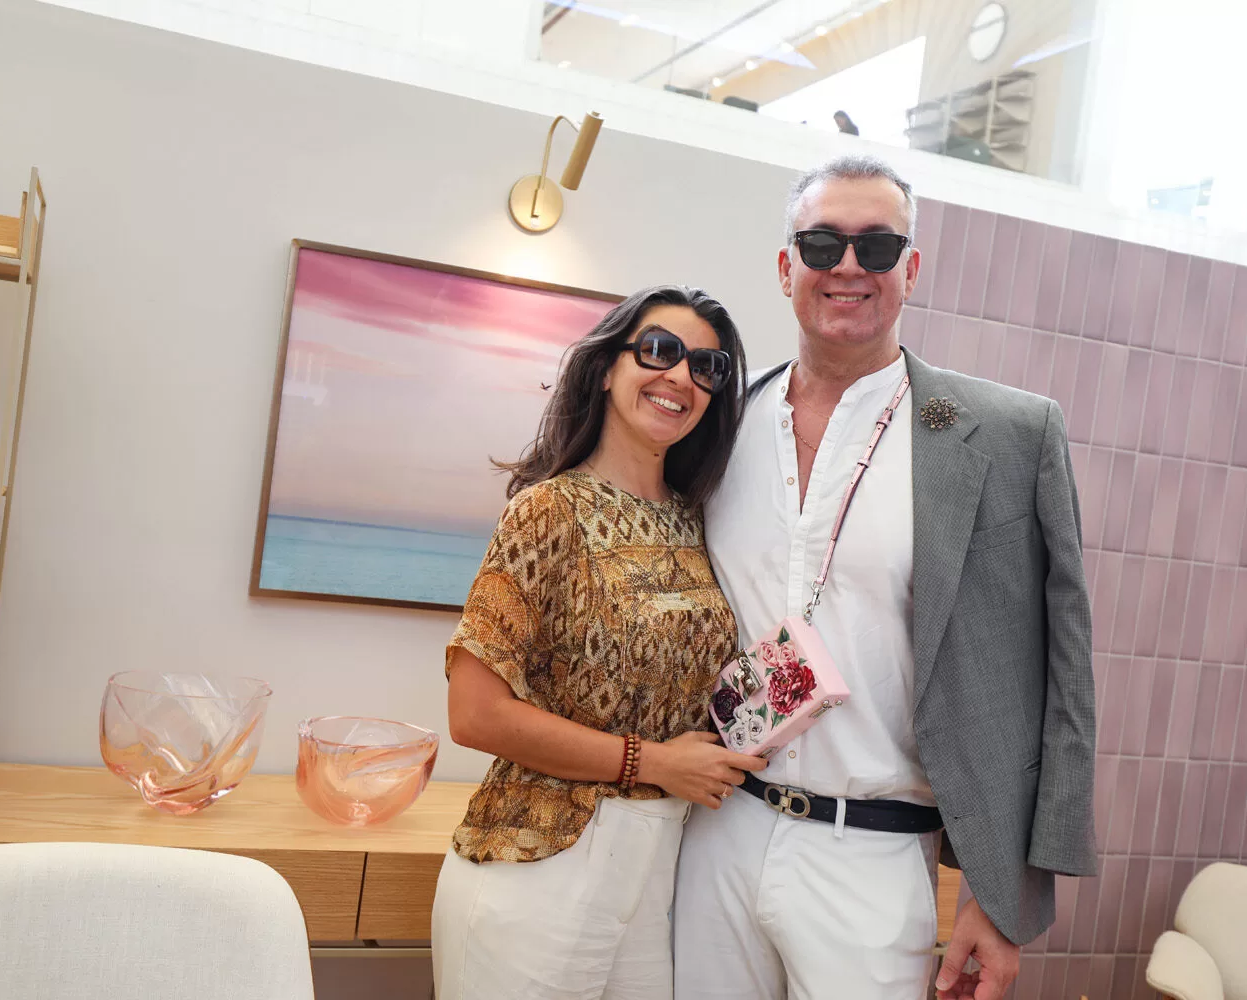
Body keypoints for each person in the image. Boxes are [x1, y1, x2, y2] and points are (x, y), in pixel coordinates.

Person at [672, 154, 1097, 1000]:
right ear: (786, 266)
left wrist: (1005, 898)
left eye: (876, 246)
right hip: (717, 832)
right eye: (821, 244)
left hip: (872, 856)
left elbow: (1063, 675)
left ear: (911, 267)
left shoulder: (1010, 435)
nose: (848, 267)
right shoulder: (717, 426)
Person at [432, 285, 767, 1000]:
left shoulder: (699, 524)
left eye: (705, 366)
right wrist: (654, 763)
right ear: (608, 368)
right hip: (538, 865)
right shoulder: (547, 511)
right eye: (659, 350)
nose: (680, 376)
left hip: (658, 871)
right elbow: (474, 715)